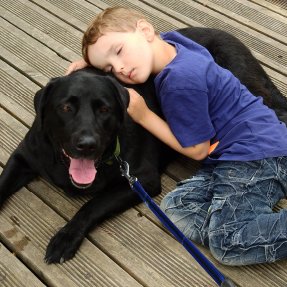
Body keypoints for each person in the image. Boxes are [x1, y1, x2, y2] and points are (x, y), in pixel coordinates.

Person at [66, 6, 287, 266]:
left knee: (227, 244)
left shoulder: (179, 82)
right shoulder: (174, 44)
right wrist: (90, 68)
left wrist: (143, 115)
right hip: (244, 149)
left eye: (119, 51)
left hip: (257, 155)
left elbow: (198, 151)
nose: (120, 68)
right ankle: (234, 219)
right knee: (177, 207)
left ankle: (234, 227)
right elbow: (135, 49)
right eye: (109, 68)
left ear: (146, 30)